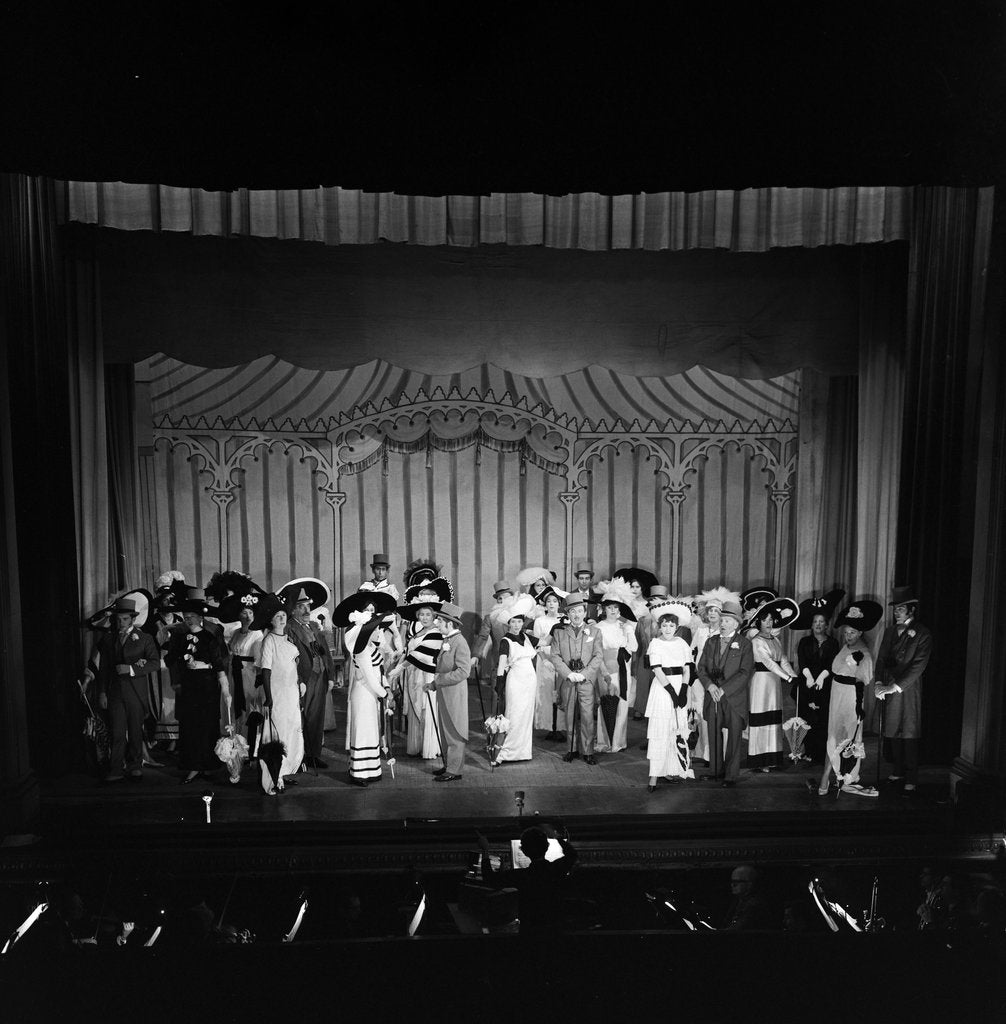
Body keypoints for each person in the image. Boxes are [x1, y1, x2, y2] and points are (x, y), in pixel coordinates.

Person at [164, 592, 231, 784]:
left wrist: (226, 690)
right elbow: (171, 660)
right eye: (185, 617)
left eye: (192, 616)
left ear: (200, 617)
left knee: (207, 725)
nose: (188, 619)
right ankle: (193, 766)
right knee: (190, 726)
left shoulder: (210, 637)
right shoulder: (179, 637)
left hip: (208, 687)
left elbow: (219, 665)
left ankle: (208, 765)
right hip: (189, 687)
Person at [93, 597, 162, 783]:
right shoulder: (108, 639)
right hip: (115, 692)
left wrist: (131, 669)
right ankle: (115, 769)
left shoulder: (145, 638)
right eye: (118, 619)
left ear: (132, 619)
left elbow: (155, 663)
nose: (120, 623)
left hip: (135, 691)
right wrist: (102, 692)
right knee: (117, 732)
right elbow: (104, 669)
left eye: (124, 619)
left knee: (135, 731)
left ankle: (135, 766)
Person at [334, 589, 398, 787]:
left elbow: (379, 672)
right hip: (363, 693)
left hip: (371, 693)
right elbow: (370, 678)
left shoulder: (371, 647)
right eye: (367, 610)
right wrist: (384, 693)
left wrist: (385, 686)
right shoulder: (360, 648)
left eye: (373, 610)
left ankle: (371, 769)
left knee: (371, 730)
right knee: (363, 731)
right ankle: (360, 773)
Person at [818, 599, 882, 797]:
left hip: (851, 697)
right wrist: (823, 675)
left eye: (852, 633)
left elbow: (864, 680)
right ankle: (827, 776)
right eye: (846, 633)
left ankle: (842, 777)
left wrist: (858, 708)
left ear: (861, 632)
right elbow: (835, 668)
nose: (848, 636)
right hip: (836, 694)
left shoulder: (864, 654)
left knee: (848, 737)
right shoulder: (845, 647)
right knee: (833, 735)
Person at [874, 586, 933, 795]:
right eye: (895, 609)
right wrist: (879, 683)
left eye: (900, 609)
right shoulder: (890, 631)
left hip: (908, 689)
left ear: (911, 611)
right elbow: (881, 659)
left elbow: (918, 665)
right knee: (892, 729)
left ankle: (911, 776)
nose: (896, 612)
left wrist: (895, 686)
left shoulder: (922, 633)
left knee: (908, 731)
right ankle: (897, 771)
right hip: (889, 686)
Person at [477, 825, 577, 936]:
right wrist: (555, 836)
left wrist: (485, 849)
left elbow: (489, 879)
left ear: (523, 850)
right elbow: (572, 854)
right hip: (556, 932)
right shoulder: (556, 869)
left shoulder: (521, 876)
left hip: (529, 933)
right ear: (547, 846)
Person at [696, 599, 753, 787]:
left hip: (733, 697)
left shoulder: (744, 644)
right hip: (713, 695)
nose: (722, 623)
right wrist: (710, 686)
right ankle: (715, 771)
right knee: (713, 732)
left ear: (736, 623)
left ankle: (730, 775)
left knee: (735, 736)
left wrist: (724, 689)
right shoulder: (711, 641)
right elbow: (701, 667)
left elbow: (745, 672)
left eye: (727, 621)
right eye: (722, 620)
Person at [280, 580, 335, 770]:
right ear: (292, 610)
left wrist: (330, 676)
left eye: (308, 606)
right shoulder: (289, 628)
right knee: (302, 717)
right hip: (303, 678)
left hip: (320, 675)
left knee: (317, 717)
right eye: (300, 607)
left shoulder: (313, 625)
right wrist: (298, 680)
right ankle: (301, 755)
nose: (306, 611)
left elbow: (325, 652)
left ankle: (314, 755)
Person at [548, 593, 604, 765]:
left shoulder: (595, 632)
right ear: (568, 614)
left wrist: (585, 674)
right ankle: (571, 749)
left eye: (579, 611)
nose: (577, 615)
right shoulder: (560, 633)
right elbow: (555, 656)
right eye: (573, 612)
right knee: (570, 715)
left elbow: (598, 656)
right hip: (568, 680)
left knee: (587, 716)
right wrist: (568, 674)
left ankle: (588, 751)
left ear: (585, 612)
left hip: (586, 681)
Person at [747, 596, 800, 772]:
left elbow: (782, 660)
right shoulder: (756, 641)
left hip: (774, 684)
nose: (769, 623)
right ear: (758, 622)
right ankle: (759, 759)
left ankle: (772, 758)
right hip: (761, 682)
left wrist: (793, 675)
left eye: (771, 619)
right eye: (765, 620)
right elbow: (769, 663)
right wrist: (788, 678)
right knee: (761, 718)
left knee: (773, 718)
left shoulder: (775, 640)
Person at [258, 605, 305, 794]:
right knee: (277, 735)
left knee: (292, 732)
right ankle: (274, 778)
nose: (281, 619)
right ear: (271, 620)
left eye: (283, 615)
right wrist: (269, 697)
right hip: (277, 694)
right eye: (277, 616)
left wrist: (300, 684)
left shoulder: (289, 639)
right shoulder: (269, 641)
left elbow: (294, 667)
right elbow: (266, 670)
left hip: (291, 694)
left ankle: (284, 772)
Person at [793, 590, 844, 764]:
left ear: (827, 625)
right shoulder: (804, 642)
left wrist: (822, 677)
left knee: (822, 717)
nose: (818, 624)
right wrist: (808, 677)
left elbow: (833, 662)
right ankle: (808, 751)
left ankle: (821, 752)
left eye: (821, 622)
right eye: (815, 622)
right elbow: (802, 660)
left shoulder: (833, 642)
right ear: (811, 624)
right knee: (807, 716)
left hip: (826, 684)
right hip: (807, 684)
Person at [645, 611, 694, 790]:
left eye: (671, 625)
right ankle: (653, 776)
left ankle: (670, 769)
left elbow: (687, 668)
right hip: (662, 688)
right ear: (659, 626)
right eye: (664, 625)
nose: (667, 629)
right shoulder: (655, 643)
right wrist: (671, 691)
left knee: (675, 729)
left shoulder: (682, 643)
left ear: (677, 627)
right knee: (660, 731)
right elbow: (657, 670)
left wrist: (683, 689)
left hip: (680, 685)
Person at [393, 595, 444, 758]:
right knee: (416, 710)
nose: (424, 617)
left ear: (434, 616)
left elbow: (419, 655)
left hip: (426, 675)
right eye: (421, 614)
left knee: (425, 708)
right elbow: (410, 652)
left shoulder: (436, 633)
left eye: (428, 614)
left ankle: (428, 747)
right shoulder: (420, 631)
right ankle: (416, 745)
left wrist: (399, 668)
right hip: (414, 674)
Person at [428, 601, 473, 782]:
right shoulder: (447, 640)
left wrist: (439, 680)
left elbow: (464, 671)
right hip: (444, 693)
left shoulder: (459, 642)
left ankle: (454, 770)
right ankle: (448, 765)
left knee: (455, 731)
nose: (437, 623)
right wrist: (433, 684)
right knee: (446, 731)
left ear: (450, 623)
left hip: (454, 694)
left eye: (439, 621)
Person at [593, 580, 639, 753]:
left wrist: (628, 631)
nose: (613, 610)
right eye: (610, 607)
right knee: (606, 701)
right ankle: (604, 741)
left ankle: (618, 741)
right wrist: (603, 670)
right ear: (604, 609)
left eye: (616, 608)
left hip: (622, 667)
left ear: (620, 610)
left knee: (622, 702)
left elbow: (633, 648)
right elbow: (596, 651)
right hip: (606, 667)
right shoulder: (598, 627)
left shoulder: (625, 627)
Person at [492, 604, 538, 766]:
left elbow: (545, 642)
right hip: (516, 681)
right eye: (514, 622)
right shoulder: (505, 640)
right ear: (509, 623)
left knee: (526, 716)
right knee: (514, 714)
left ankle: (523, 752)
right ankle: (504, 753)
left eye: (519, 621)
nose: (517, 625)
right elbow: (502, 663)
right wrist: (499, 683)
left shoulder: (526, 637)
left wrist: (556, 628)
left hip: (530, 681)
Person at [633, 585, 670, 722]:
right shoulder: (643, 621)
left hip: (663, 662)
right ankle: (641, 710)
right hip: (644, 660)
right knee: (643, 688)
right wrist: (635, 667)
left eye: (660, 602)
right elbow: (637, 644)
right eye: (654, 601)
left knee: (659, 691)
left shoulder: (669, 623)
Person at [532, 588, 565, 735]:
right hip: (545, 659)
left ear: (559, 603)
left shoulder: (565, 619)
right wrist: (545, 660)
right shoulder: (539, 621)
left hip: (563, 659)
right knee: (546, 692)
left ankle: (561, 726)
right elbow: (537, 645)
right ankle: (548, 726)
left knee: (562, 691)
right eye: (549, 601)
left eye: (555, 601)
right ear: (545, 604)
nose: (552, 604)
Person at [474, 580, 515, 690]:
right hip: (499, 662)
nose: (502, 601)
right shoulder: (490, 618)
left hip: (518, 662)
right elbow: (483, 637)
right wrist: (475, 655)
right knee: (497, 694)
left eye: (505, 598)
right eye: (499, 598)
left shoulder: (519, 616)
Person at [723, 864, 776, 930]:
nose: (733, 885)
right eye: (732, 881)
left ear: (750, 884)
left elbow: (739, 928)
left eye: (737, 881)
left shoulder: (755, 905)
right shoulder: (737, 902)